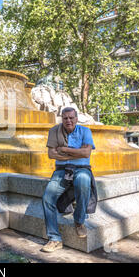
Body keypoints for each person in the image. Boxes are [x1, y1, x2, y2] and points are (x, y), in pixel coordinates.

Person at [41, 107, 98, 253]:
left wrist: (65, 150)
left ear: (76, 118)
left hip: (82, 169)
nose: (68, 121)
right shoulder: (54, 131)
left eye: (71, 118)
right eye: (65, 118)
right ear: (62, 119)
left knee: (84, 181)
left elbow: (86, 153)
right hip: (61, 171)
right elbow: (51, 154)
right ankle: (54, 238)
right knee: (47, 197)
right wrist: (76, 153)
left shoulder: (85, 131)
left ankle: (79, 221)